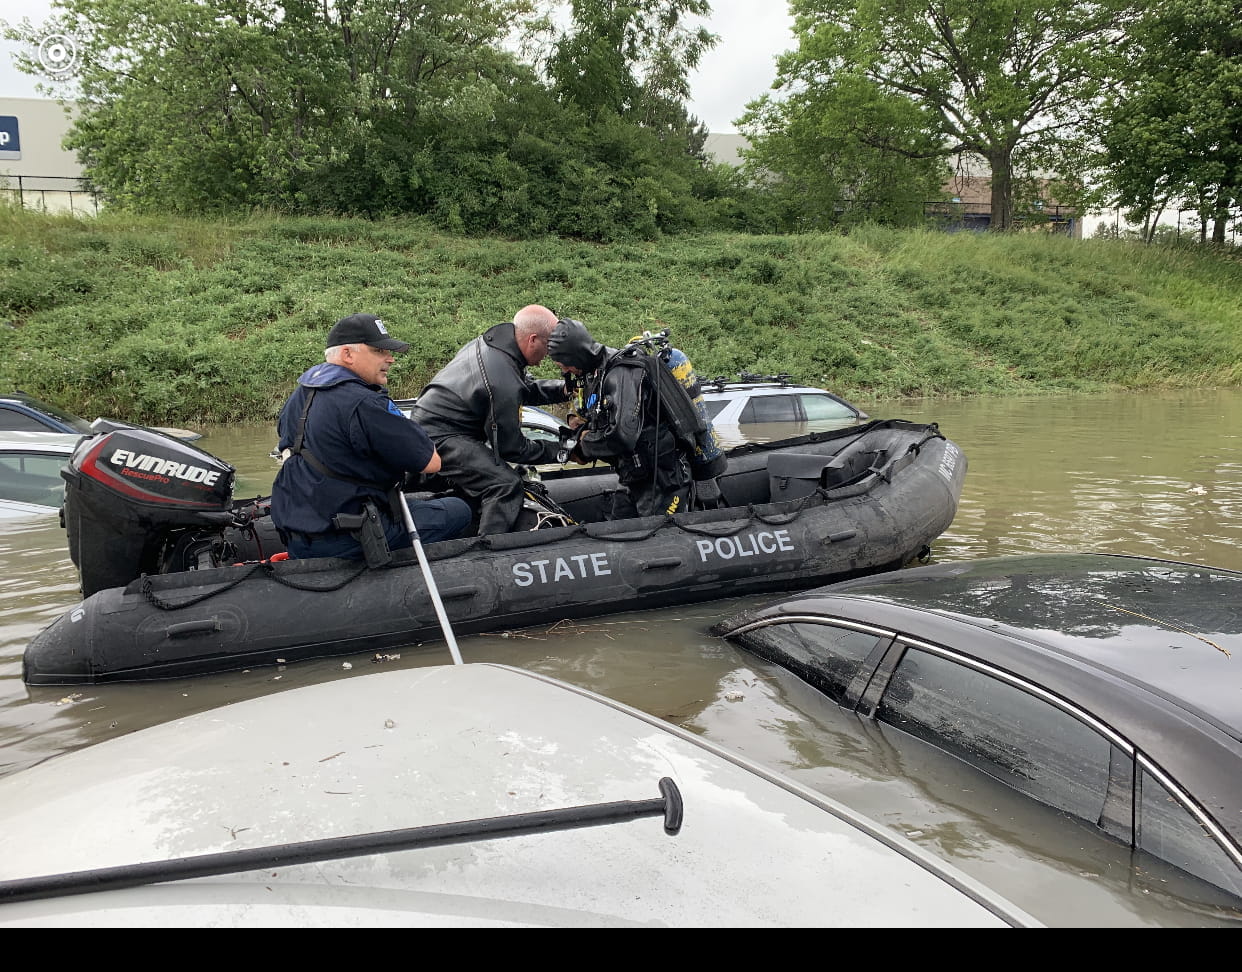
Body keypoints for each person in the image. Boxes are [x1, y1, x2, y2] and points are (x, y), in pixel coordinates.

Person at [271, 313, 472, 561]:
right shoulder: (364, 402)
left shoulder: (301, 394)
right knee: (460, 509)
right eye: (379, 351)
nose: (391, 359)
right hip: (350, 538)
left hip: (301, 535)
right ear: (347, 354)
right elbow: (431, 462)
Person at [410, 304, 573, 536]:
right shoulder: (500, 376)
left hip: (433, 425)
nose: (548, 356)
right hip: (441, 435)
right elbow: (512, 448)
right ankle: (490, 552)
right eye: (548, 347)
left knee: (486, 480)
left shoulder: (494, 347)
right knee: (505, 484)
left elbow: (521, 389)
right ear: (533, 340)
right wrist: (565, 450)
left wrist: (564, 390)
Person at [547, 319, 728, 520]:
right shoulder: (596, 375)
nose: (564, 371)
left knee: (658, 540)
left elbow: (622, 436)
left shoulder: (621, 372)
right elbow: (604, 423)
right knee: (618, 532)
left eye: (564, 365)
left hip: (663, 479)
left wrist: (585, 445)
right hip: (632, 476)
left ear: (577, 355)